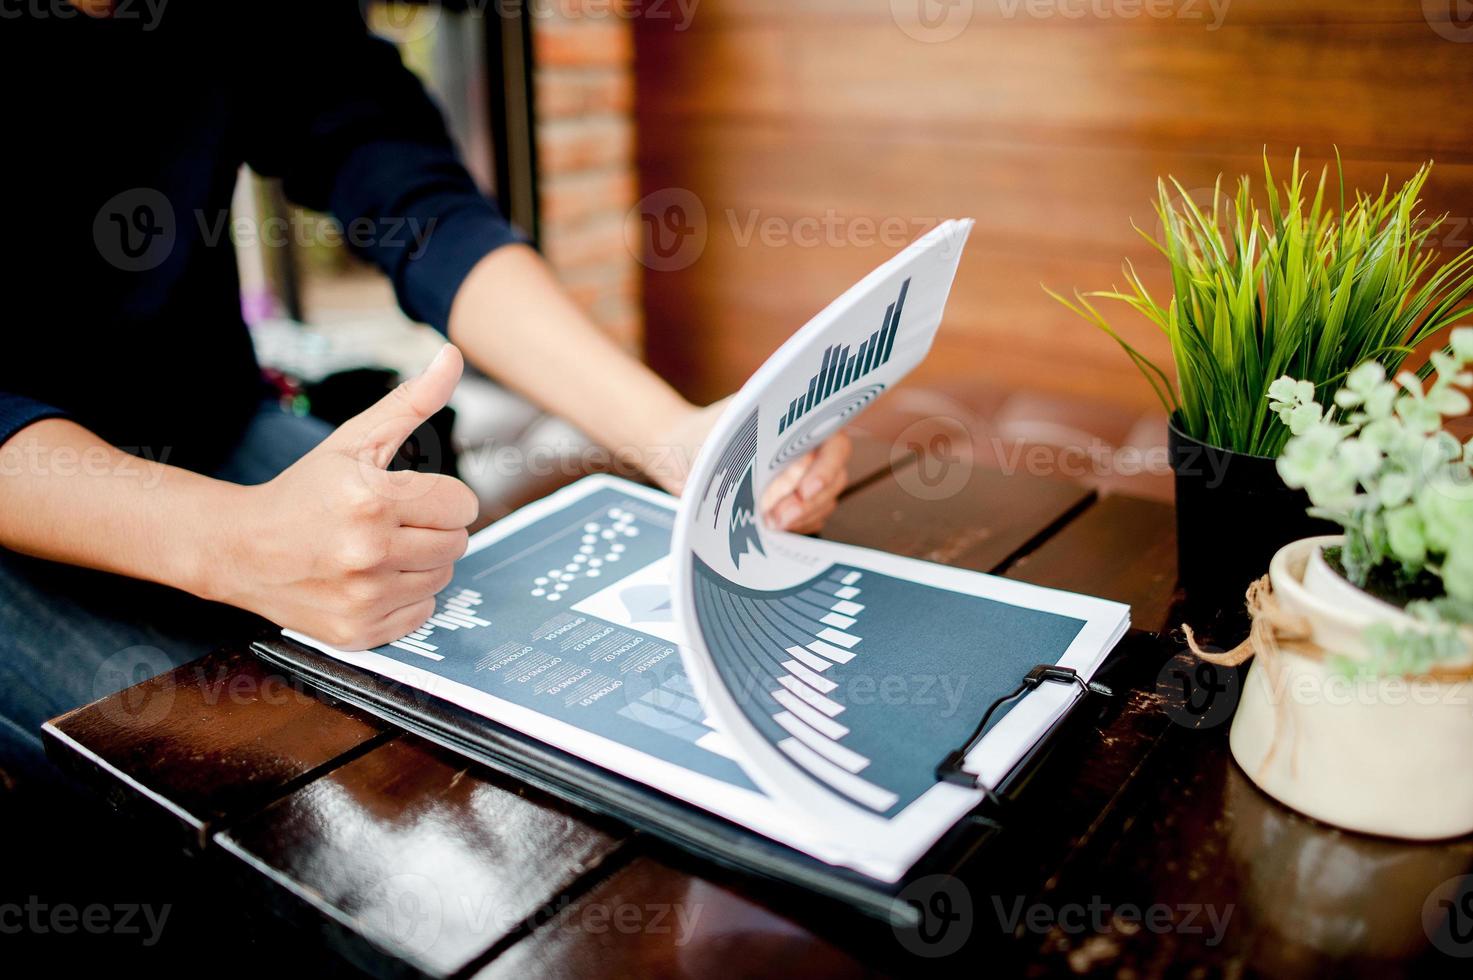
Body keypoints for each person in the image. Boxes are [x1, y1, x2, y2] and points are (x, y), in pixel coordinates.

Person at [0, 2, 849, 783]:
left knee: (486, 685)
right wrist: (229, 546)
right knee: (243, 776)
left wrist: (674, 435)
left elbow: (406, 188)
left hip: (208, 422)